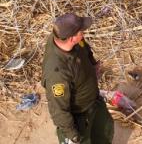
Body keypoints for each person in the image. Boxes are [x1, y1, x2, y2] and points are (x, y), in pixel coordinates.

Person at [42, 13, 114, 144]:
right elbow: (58, 110)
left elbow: (84, 47)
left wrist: (92, 63)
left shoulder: (62, 37)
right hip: (80, 118)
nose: (84, 33)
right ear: (72, 38)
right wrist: (73, 136)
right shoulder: (57, 73)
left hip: (94, 103)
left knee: (105, 133)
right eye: (81, 31)